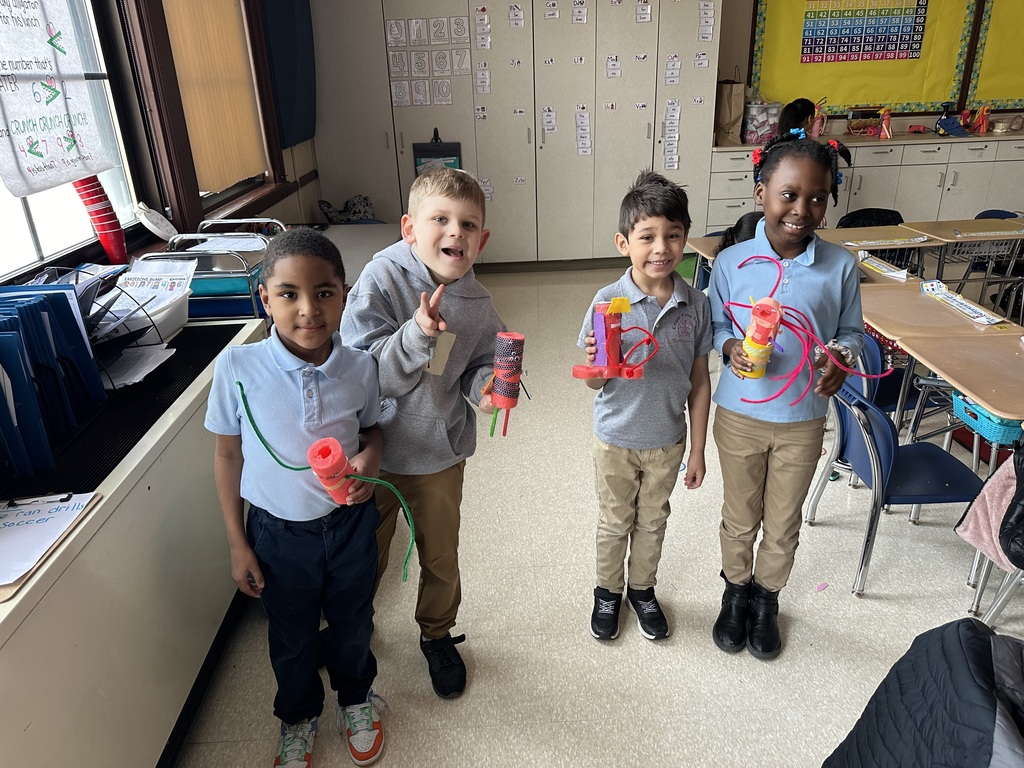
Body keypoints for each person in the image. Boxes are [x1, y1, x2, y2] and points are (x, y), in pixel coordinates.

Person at [206, 228, 386, 767]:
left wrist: (370, 458)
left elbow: (374, 431)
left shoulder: (359, 367)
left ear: (345, 293)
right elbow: (227, 457)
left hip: (349, 524)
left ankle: (356, 697)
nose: (308, 310)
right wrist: (239, 544)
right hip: (277, 535)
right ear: (265, 298)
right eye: (288, 294)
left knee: (354, 622)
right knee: (291, 636)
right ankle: (298, 716)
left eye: (324, 292)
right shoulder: (237, 369)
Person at [341, 167, 505, 699]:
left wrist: (487, 385)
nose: (455, 233)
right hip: (376, 453)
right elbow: (364, 373)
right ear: (410, 228)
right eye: (441, 220)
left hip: (438, 453)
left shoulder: (477, 304)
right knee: (364, 551)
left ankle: (437, 634)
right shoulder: (382, 279)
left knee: (441, 553)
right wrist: (416, 335)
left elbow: (480, 361)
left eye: (468, 224)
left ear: (482, 240)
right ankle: (353, 627)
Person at [708, 133, 861, 661]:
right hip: (739, 415)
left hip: (802, 418)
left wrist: (839, 359)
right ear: (761, 193)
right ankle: (735, 590)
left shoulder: (840, 266)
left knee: (783, 518)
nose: (802, 209)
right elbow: (713, 326)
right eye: (789, 195)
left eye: (817, 198)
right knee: (739, 515)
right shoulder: (730, 263)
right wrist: (731, 347)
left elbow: (852, 333)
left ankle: (767, 598)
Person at [577, 170, 713, 642]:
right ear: (623, 242)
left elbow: (699, 382)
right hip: (615, 438)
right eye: (647, 236)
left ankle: (642, 588)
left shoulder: (696, 304)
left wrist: (697, 451)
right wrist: (600, 366)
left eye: (672, 235)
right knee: (615, 521)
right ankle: (607, 592)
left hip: (667, 440)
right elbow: (594, 383)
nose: (661, 248)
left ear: (685, 239)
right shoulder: (607, 300)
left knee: (653, 521)